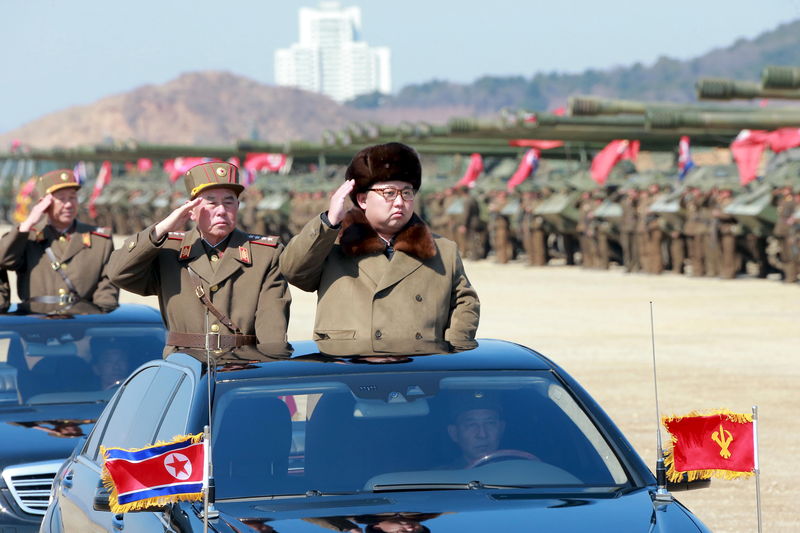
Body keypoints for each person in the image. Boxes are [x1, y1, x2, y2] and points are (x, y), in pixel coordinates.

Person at [279, 142, 479, 352]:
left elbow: (466, 302)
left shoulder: (443, 250)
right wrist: (328, 222)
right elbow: (293, 270)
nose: (400, 202)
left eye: (407, 193)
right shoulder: (333, 243)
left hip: (419, 367)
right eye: (389, 193)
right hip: (349, 365)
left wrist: (453, 347)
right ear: (363, 199)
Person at [107, 161, 290, 353]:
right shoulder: (168, 250)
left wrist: (265, 374)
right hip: (186, 367)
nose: (221, 210)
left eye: (229, 202)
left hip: (243, 367)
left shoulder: (265, 254)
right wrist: (161, 229)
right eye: (211, 202)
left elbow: (273, 330)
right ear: (191, 210)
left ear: (237, 206)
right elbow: (118, 273)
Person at [0, 169, 119, 311]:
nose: (68, 204)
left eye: (72, 197)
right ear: (44, 203)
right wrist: (29, 222)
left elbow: (108, 286)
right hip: (37, 324)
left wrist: (97, 319)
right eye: (61, 198)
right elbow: (5, 260)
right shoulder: (28, 238)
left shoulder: (100, 240)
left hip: (82, 324)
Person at [446, 394, 506, 468]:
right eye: (471, 425)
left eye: (490, 423)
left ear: (501, 429)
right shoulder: (442, 477)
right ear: (454, 433)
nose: (482, 435)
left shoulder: (517, 472)